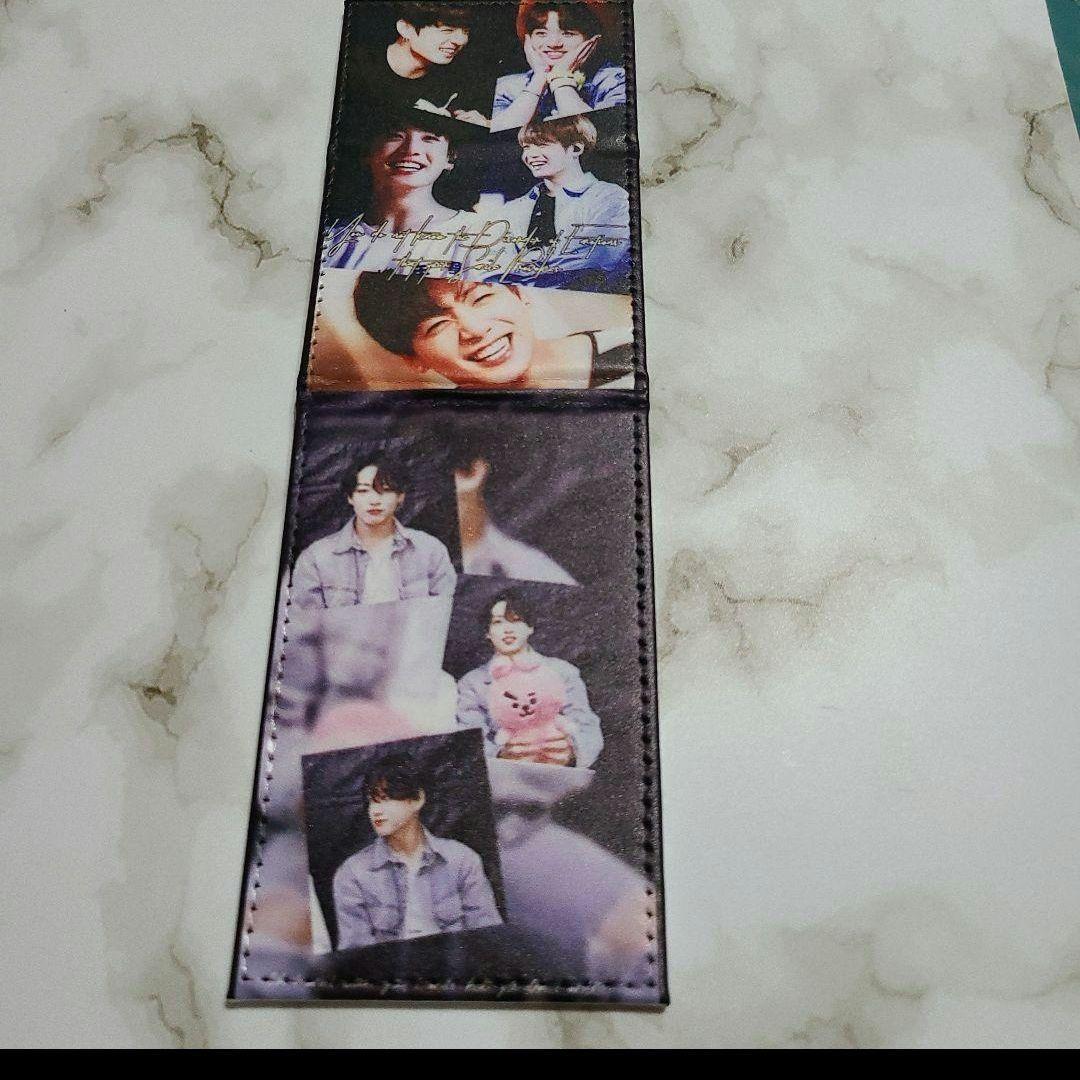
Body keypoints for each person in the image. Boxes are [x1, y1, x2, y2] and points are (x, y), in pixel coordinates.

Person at [332, 755, 502, 948]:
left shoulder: (462, 859)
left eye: (385, 799)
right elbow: (356, 952)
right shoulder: (353, 873)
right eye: (371, 801)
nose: (375, 810)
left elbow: (489, 937)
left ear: (417, 799)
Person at [352, 276, 635, 389]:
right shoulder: (447, 448)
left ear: (519, 293)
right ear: (412, 358)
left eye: (480, 298)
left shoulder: (636, 348)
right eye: (436, 326)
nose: (476, 329)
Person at [324, 111, 487, 275]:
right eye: (395, 136)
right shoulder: (331, 239)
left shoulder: (478, 235)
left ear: (449, 158)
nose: (411, 150)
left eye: (429, 138)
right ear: (367, 152)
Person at [456, 594, 603, 767]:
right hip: (504, 775)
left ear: (530, 627)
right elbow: (469, 739)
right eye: (498, 622)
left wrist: (571, 752)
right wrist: (500, 754)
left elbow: (587, 726)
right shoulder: (472, 682)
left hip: (557, 771)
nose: (507, 629)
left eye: (516, 620)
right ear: (487, 632)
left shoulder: (563, 672)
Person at [292, 459, 456, 609]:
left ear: (400, 496)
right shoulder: (316, 558)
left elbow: (444, 614)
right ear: (350, 497)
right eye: (363, 491)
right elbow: (307, 624)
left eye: (385, 490)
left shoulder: (430, 550)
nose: (374, 500)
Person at [495, 115, 631, 290]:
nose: (530, 155)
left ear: (576, 149)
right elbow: (489, 262)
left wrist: (513, 270)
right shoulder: (514, 208)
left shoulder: (609, 197)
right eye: (526, 147)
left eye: (542, 144)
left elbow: (589, 262)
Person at [490, 1, 625, 132]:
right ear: (528, 39)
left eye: (568, 33)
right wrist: (540, 78)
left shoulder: (616, 81)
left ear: (592, 40)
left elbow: (596, 137)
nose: (553, 43)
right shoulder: (507, 86)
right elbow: (499, 138)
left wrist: (561, 78)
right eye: (541, 33)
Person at [357, 2, 490, 127]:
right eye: (447, 30)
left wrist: (485, 124)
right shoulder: (357, 68)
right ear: (405, 28)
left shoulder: (462, 76)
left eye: (466, 31)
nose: (461, 40)